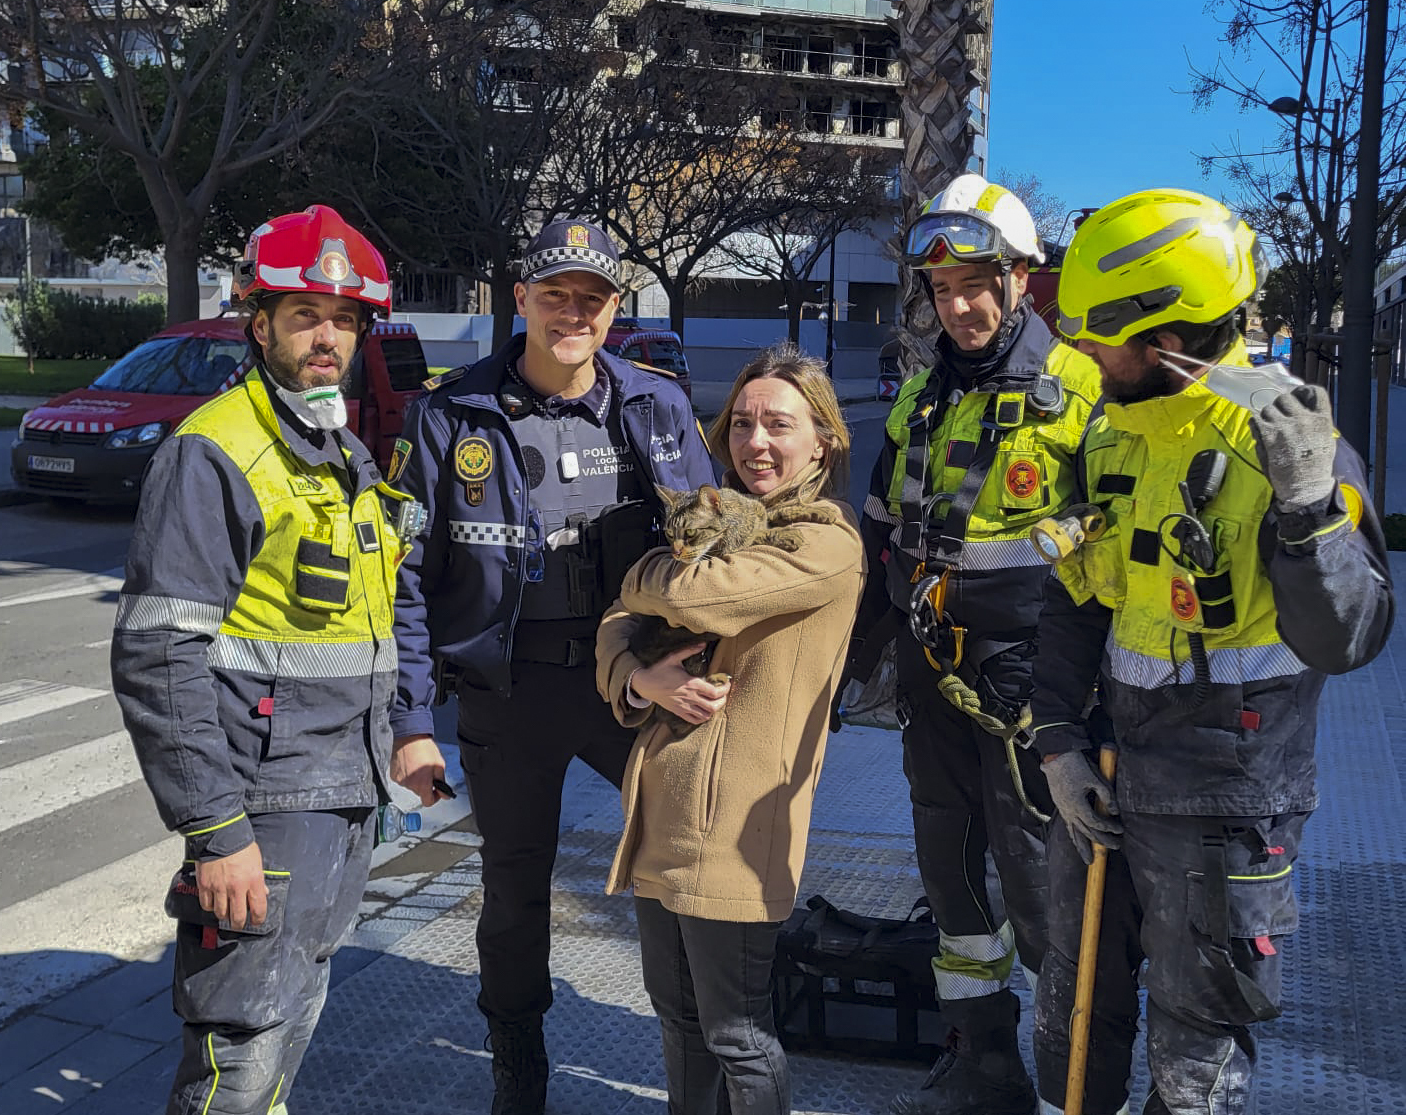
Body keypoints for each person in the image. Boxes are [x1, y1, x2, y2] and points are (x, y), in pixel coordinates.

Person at [1031, 187, 1395, 1115]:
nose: (1083, 352)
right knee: (1073, 1009)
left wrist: (1309, 512)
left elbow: (1350, 634)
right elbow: (1076, 601)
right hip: (1109, 776)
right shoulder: (1114, 430)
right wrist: (1057, 739)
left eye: (1101, 337)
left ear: (1165, 338)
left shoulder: (1290, 443)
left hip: (1227, 804)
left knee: (1195, 1059)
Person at [388, 218, 717, 1114]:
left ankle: (697, 1056)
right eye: (555, 294)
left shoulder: (655, 404)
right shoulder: (449, 413)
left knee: (683, 869)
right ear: (521, 299)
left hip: (633, 687)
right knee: (513, 891)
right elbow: (405, 579)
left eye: (593, 297)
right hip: (510, 692)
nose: (574, 312)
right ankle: (517, 1063)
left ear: (615, 308)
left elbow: (715, 552)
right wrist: (412, 722)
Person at [111, 205, 435, 1115]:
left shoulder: (343, 454)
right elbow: (158, 656)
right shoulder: (216, 452)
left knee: (287, 1029)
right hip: (265, 814)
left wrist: (406, 733)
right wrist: (216, 831)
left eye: (344, 318)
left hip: (340, 801)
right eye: (304, 315)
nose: (326, 336)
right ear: (260, 325)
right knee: (238, 1056)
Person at [852, 174, 1103, 1115]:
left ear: (1018, 279)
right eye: (942, 288)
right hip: (933, 687)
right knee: (952, 878)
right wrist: (842, 675)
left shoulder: (1081, 395)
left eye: (975, 285)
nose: (958, 307)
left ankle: (1074, 1080)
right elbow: (880, 543)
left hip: (1034, 695)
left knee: (1044, 892)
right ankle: (983, 1061)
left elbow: (1113, 566)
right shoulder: (920, 399)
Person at [594, 344, 866, 1114]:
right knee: (680, 1023)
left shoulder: (826, 542)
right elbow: (617, 622)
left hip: (738, 832)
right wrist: (639, 677)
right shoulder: (717, 515)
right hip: (660, 815)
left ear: (824, 440)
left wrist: (640, 575)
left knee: (737, 1034)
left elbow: (695, 596)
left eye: (779, 423)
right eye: (742, 422)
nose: (755, 441)